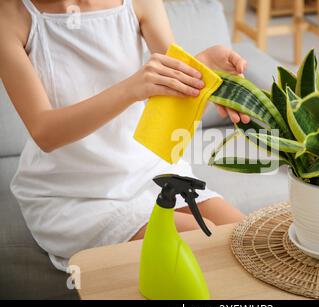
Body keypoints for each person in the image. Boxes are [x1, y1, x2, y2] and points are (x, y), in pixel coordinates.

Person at [0, 0, 247, 271]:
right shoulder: (11, 16)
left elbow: (174, 82)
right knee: (201, 242)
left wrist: (204, 68)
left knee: (246, 239)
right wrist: (132, 88)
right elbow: (45, 133)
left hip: (147, 171)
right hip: (75, 192)